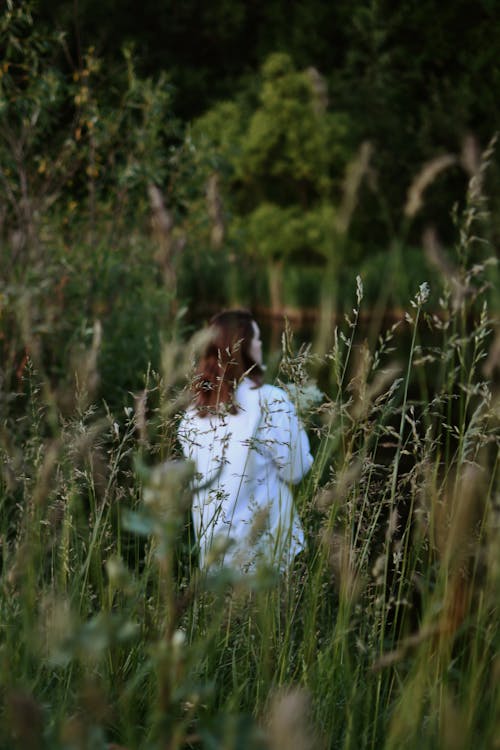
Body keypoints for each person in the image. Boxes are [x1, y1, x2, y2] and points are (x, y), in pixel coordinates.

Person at [177, 309, 313, 572]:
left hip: (216, 559)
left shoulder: (192, 415)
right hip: (270, 556)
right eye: (257, 339)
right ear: (244, 348)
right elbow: (296, 470)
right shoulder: (269, 400)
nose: (261, 345)